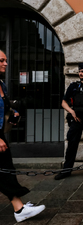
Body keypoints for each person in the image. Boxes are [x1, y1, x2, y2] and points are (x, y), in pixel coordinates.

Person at [0, 50, 45, 222]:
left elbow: (5, 106)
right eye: (1, 60)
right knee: (5, 170)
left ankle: (19, 208)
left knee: (6, 169)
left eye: (6, 60)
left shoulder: (2, 85)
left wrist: (14, 113)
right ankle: (19, 209)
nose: (5, 63)